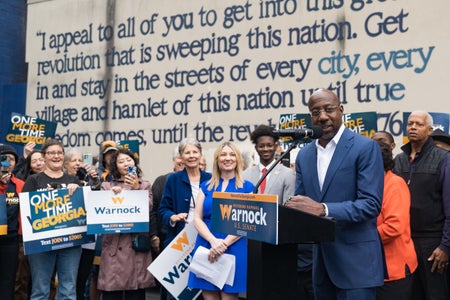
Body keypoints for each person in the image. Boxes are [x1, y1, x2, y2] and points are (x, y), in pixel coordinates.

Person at [286, 89, 385, 299]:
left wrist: (323, 210)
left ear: (341, 110)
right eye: (315, 112)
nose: (322, 117)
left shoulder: (365, 147)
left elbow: (370, 204)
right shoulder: (304, 155)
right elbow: (302, 205)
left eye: (328, 109)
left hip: (357, 266)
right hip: (321, 266)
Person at [393, 111, 450, 300]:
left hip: (433, 243)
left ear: (430, 130)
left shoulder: (443, 158)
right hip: (404, 241)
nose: (413, 128)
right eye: (410, 124)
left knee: (435, 294)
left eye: (419, 124)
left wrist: (445, 245)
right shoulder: (399, 160)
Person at [188, 141, 255, 300]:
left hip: (234, 246)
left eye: (232, 155)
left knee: (228, 296)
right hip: (207, 244)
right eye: (223, 154)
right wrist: (213, 241)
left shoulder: (247, 187)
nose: (228, 158)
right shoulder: (206, 186)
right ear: (217, 159)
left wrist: (224, 244)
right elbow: (197, 218)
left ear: (238, 159)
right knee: (209, 296)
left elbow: (248, 222)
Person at [22, 139, 82, 300]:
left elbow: (84, 208)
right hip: (41, 242)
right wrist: (42, 198)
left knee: (68, 290)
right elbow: (25, 209)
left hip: (70, 242)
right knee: (40, 290)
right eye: (51, 153)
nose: (56, 156)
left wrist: (78, 191)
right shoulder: (33, 180)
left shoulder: (73, 180)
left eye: (59, 153)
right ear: (43, 157)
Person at [97, 148, 155, 300]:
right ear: (115, 166)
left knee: (135, 294)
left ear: (134, 163)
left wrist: (135, 189)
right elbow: (100, 211)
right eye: (121, 161)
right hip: (114, 244)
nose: (125, 163)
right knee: (112, 292)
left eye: (128, 160)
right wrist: (111, 196)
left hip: (135, 244)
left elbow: (148, 208)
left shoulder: (145, 185)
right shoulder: (107, 186)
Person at [373, 139, 417, 300]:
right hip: (372, 268)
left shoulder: (395, 184)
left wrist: (361, 239)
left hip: (393, 270)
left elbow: (393, 227)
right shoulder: (370, 184)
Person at [62, 148, 101, 300]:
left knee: (82, 280)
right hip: (67, 239)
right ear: (66, 164)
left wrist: (94, 181)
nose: (78, 163)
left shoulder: (90, 180)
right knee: (68, 281)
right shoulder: (62, 180)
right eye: (74, 160)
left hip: (87, 240)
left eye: (80, 160)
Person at [150, 148, 183, 300]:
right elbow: (155, 210)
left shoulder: (201, 181)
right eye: (179, 157)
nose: (182, 160)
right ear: (173, 160)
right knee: (168, 282)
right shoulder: (162, 181)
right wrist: (154, 235)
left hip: (192, 240)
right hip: (167, 239)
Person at [14, 149, 45, 300]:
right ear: (29, 165)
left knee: (45, 279)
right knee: (22, 278)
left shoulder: (61, 180)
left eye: (42, 159)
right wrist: (24, 157)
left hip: (47, 236)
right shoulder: (22, 182)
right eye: (35, 161)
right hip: (25, 236)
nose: (39, 163)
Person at [243, 124, 295, 204]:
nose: (265, 149)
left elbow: (289, 207)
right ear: (256, 148)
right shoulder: (245, 175)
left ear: (275, 146)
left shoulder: (287, 174)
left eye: (269, 145)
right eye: (261, 146)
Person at [0, 144, 24, 300]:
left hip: (12, 240)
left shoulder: (20, 184)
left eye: (11, 159)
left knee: (8, 279)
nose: (8, 162)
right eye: (4, 159)